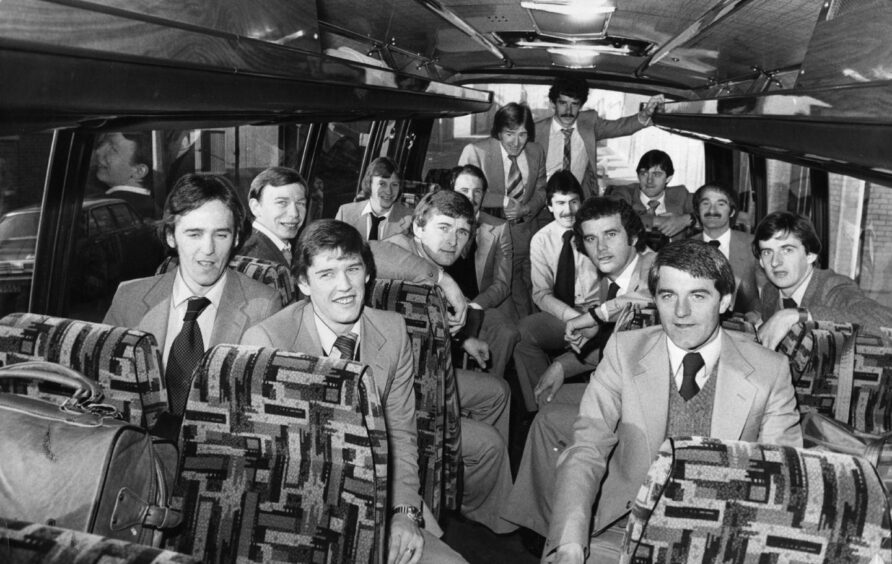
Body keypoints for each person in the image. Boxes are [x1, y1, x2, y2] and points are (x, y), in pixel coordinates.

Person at [544, 239, 802, 563]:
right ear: (655, 299)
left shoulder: (769, 371)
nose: (681, 313)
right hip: (625, 529)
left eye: (697, 295)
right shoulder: (623, 352)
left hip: (723, 540)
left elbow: (784, 482)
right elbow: (586, 448)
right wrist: (570, 543)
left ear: (724, 301)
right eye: (668, 296)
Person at [241, 220, 466, 564]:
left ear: (368, 274)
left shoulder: (393, 332)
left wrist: (404, 512)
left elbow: (401, 434)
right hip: (297, 507)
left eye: (353, 269)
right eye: (327, 274)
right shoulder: (269, 342)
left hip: (381, 494)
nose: (344, 286)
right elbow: (262, 463)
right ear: (303, 282)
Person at [502, 197, 654, 544]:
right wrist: (561, 364)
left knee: (548, 420)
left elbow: (648, 301)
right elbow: (611, 353)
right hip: (622, 387)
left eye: (611, 234)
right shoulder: (609, 281)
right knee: (547, 407)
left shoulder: (652, 269)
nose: (600, 247)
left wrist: (597, 314)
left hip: (645, 405)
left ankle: (547, 528)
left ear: (632, 237)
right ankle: (544, 522)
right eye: (590, 238)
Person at [383, 190, 515, 534]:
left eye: (462, 232)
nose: (452, 240)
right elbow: (369, 251)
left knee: (498, 391)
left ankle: (467, 493)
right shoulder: (399, 249)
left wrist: (464, 338)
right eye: (443, 227)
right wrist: (445, 280)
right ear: (418, 227)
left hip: (426, 375)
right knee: (491, 444)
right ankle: (492, 517)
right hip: (405, 397)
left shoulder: (422, 257)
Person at [104, 173, 283, 423]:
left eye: (221, 235)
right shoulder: (129, 298)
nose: (208, 249)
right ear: (170, 237)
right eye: (194, 234)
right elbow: (103, 391)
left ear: (237, 239)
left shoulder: (264, 306)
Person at [512, 171, 599, 412]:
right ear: (549, 206)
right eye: (560, 203)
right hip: (564, 315)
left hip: (599, 314)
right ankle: (542, 404)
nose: (568, 210)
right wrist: (573, 318)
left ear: (582, 203)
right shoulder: (541, 240)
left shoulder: (596, 233)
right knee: (523, 333)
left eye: (573, 201)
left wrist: (592, 318)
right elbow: (540, 294)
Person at [754, 211, 892, 349]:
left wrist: (798, 315)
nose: (775, 262)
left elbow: (884, 321)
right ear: (761, 261)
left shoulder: (832, 287)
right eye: (767, 252)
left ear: (810, 255)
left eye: (787, 250)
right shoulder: (770, 291)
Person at [458, 102, 546, 319]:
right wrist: (504, 201)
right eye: (509, 134)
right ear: (499, 132)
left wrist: (525, 209)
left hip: (529, 236)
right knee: (514, 298)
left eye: (523, 135)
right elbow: (461, 192)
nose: (516, 142)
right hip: (494, 239)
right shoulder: (476, 151)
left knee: (536, 292)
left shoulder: (536, 151)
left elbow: (543, 189)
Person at [445, 164, 519, 382]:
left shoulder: (499, 229)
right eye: (464, 190)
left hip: (479, 303)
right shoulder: (438, 223)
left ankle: (490, 391)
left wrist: (474, 306)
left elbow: (502, 284)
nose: (471, 196)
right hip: (443, 300)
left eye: (477, 191)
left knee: (507, 332)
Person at [534, 76, 664, 198]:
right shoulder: (536, 131)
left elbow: (619, 127)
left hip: (579, 201)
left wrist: (645, 114)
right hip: (542, 202)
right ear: (553, 103)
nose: (568, 111)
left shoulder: (589, 123)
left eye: (574, 104)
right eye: (563, 103)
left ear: (581, 105)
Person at [690, 182, 761, 318]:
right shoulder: (684, 248)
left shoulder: (753, 245)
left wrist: (754, 316)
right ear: (697, 211)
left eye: (720, 204)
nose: (712, 210)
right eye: (706, 203)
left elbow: (765, 293)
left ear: (732, 212)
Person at [607, 149, 694, 250]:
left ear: (668, 178)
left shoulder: (680, 194)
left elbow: (709, 211)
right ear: (638, 175)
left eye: (657, 174)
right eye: (644, 173)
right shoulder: (624, 193)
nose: (649, 180)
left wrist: (686, 219)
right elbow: (612, 217)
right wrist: (657, 221)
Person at [240, 166, 307, 267]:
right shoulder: (255, 258)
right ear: (256, 207)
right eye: (282, 202)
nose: (294, 213)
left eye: (300, 203)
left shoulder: (276, 248)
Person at [335, 156, 413, 242]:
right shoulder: (345, 214)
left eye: (394, 185)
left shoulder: (410, 220)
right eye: (382, 184)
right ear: (369, 184)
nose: (389, 191)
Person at [93, 131, 160, 219]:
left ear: (139, 171)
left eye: (113, 149)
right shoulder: (156, 209)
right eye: (104, 143)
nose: (98, 151)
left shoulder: (103, 209)